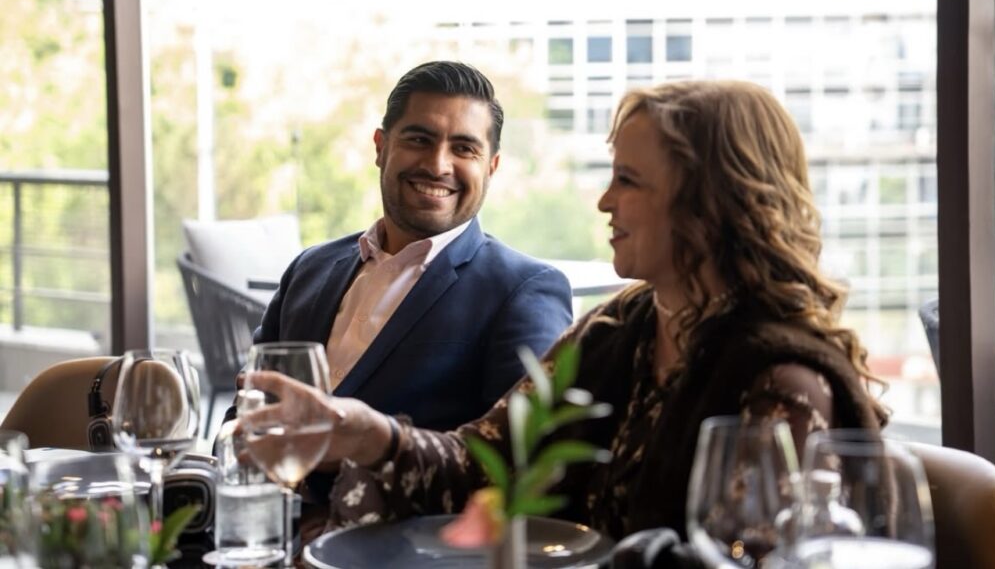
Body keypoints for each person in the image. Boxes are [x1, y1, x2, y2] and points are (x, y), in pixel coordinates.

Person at [247, 80, 887, 541]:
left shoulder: (783, 383)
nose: (605, 201)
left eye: (628, 180)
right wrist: (371, 434)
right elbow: (483, 463)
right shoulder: (616, 329)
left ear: (707, 202)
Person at [245, 61, 573, 499]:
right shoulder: (309, 268)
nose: (438, 165)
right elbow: (244, 413)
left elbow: (527, 467)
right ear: (381, 147)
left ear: (491, 167)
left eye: (464, 148)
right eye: (419, 139)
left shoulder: (525, 291)